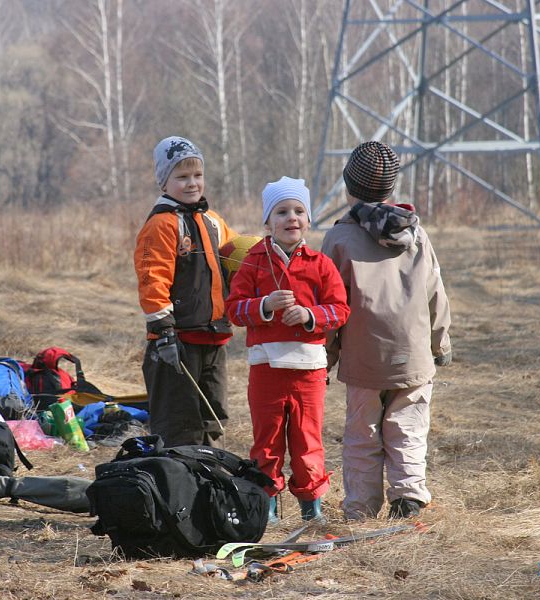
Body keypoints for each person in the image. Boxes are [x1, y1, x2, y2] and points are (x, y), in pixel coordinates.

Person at [322, 141, 452, 521]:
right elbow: (435, 293)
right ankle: (408, 498)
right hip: (413, 354)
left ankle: (360, 508)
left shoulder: (339, 239)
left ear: (348, 187)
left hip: (364, 358)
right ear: (392, 190)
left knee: (363, 434)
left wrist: (324, 356)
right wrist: (440, 343)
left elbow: (330, 305)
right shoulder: (417, 235)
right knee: (408, 428)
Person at [226, 176, 350, 523]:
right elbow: (234, 309)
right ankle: (266, 505)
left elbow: (340, 309)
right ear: (268, 222)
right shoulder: (252, 261)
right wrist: (264, 305)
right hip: (266, 371)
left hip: (309, 371)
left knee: (307, 441)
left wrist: (309, 316)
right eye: (281, 212)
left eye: (299, 211)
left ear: (308, 220)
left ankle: (312, 509)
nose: (291, 218)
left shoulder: (320, 263)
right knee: (266, 443)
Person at [134, 136, 237, 447]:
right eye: (181, 177)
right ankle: (180, 480)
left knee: (213, 417)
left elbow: (234, 260)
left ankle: (210, 474)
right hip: (177, 342)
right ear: (164, 182)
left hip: (213, 337)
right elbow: (153, 277)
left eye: (197, 175)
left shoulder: (213, 221)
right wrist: (163, 330)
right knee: (179, 421)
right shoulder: (162, 225)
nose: (192, 184)